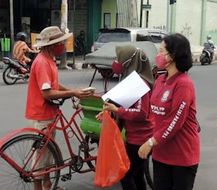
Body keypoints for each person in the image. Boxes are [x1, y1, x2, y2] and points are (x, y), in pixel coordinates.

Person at [25, 26, 94, 190]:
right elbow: (47, 93)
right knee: (41, 155)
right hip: (42, 113)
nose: (64, 45)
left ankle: (48, 185)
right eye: (62, 43)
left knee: (48, 152)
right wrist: (73, 92)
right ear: (53, 45)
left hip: (49, 112)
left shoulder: (49, 60)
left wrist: (72, 92)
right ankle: (38, 188)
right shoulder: (42, 62)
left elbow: (54, 85)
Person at [138, 33, 200, 190]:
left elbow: (175, 121)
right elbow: (154, 114)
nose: (158, 56)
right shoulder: (160, 80)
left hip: (182, 156)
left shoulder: (184, 84)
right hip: (161, 154)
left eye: (161, 51)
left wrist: (151, 142)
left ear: (172, 56)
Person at [97, 45, 154, 190]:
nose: (116, 62)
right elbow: (120, 103)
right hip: (135, 137)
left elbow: (141, 113)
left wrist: (117, 110)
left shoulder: (141, 83)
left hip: (140, 139)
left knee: (126, 175)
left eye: (119, 59)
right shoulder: (131, 81)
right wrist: (108, 112)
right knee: (137, 175)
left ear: (130, 61)